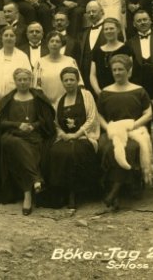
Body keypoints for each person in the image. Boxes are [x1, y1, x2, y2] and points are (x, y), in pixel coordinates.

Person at [0, 68, 55, 215]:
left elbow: (46, 120)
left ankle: (28, 194)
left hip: (33, 137)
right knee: (12, 143)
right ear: (15, 81)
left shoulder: (38, 97)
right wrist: (18, 125)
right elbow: (2, 123)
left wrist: (34, 126)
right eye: (19, 79)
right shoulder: (8, 99)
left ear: (30, 80)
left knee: (23, 151)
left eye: (25, 79)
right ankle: (36, 179)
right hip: (13, 136)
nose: (23, 82)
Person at [97, 55, 153, 211]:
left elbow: (148, 113)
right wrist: (108, 128)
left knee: (130, 149)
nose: (117, 73)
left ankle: (114, 191)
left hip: (134, 130)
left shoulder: (139, 90)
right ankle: (115, 189)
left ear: (128, 71)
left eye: (121, 69)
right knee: (108, 149)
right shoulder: (105, 92)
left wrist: (133, 125)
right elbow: (98, 115)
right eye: (114, 70)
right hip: (112, 131)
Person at [48, 67, 100, 211]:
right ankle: (61, 191)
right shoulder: (60, 100)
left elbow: (92, 119)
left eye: (72, 79)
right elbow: (56, 123)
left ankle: (75, 193)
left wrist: (76, 135)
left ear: (77, 81)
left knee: (74, 151)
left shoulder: (86, 95)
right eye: (66, 80)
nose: (69, 83)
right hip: (65, 137)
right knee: (55, 152)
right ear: (62, 82)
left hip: (84, 136)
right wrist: (63, 134)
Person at [0, 27, 32, 136]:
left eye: (12, 35)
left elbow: (28, 78)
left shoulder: (23, 57)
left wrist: (12, 98)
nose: (9, 38)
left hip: (17, 100)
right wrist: (1, 96)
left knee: (15, 132)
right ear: (1, 38)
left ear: (16, 38)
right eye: (6, 35)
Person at [34, 31, 82, 106]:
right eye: (52, 41)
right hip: (46, 104)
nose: (54, 44)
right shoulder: (40, 62)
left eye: (57, 41)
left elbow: (79, 83)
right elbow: (36, 86)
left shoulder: (70, 61)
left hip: (67, 104)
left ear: (62, 45)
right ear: (47, 44)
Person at [127, 10, 153, 100]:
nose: (142, 22)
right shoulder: (129, 43)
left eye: (145, 19)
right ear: (134, 24)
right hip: (139, 84)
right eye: (139, 21)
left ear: (150, 21)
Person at [90, 18, 133, 95]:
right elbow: (92, 75)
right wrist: (98, 91)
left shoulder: (126, 49)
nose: (108, 31)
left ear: (118, 30)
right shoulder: (97, 51)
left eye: (111, 28)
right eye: (106, 29)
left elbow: (129, 72)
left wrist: (116, 90)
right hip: (102, 93)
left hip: (122, 92)